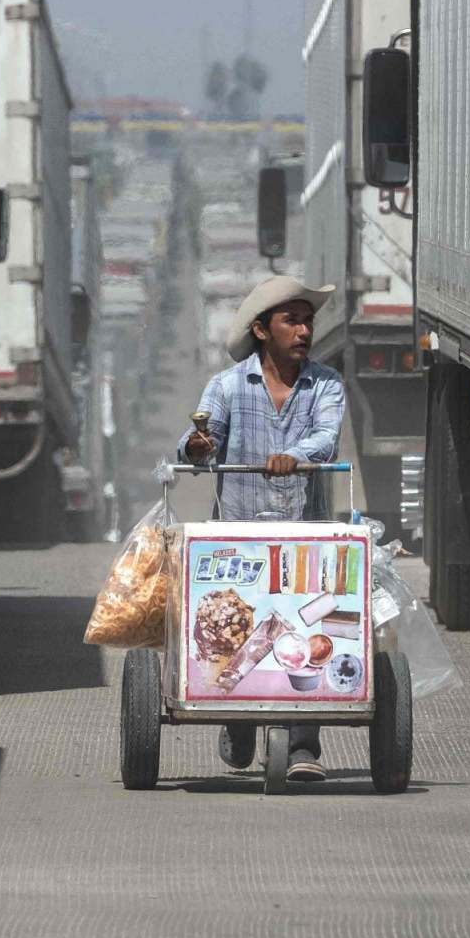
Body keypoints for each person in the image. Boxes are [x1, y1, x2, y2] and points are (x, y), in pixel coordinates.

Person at [181, 275, 344, 783]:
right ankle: (240, 721)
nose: (303, 330)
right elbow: (201, 440)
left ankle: (303, 747)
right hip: (239, 536)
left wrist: (292, 457)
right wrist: (198, 448)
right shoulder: (228, 385)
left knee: (305, 630)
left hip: (305, 532)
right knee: (240, 629)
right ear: (261, 330)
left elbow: (325, 439)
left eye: (307, 320)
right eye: (290, 321)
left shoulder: (327, 384)